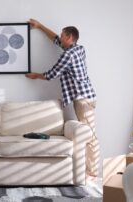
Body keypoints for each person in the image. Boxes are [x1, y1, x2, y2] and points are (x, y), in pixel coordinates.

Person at [26, 19, 99, 177]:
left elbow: (51, 74)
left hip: (82, 99)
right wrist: (40, 26)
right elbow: (55, 39)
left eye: (62, 35)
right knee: (89, 133)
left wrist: (35, 76)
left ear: (69, 37)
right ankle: (90, 171)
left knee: (90, 135)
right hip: (88, 96)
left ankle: (92, 174)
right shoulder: (79, 48)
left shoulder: (68, 55)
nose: (60, 37)